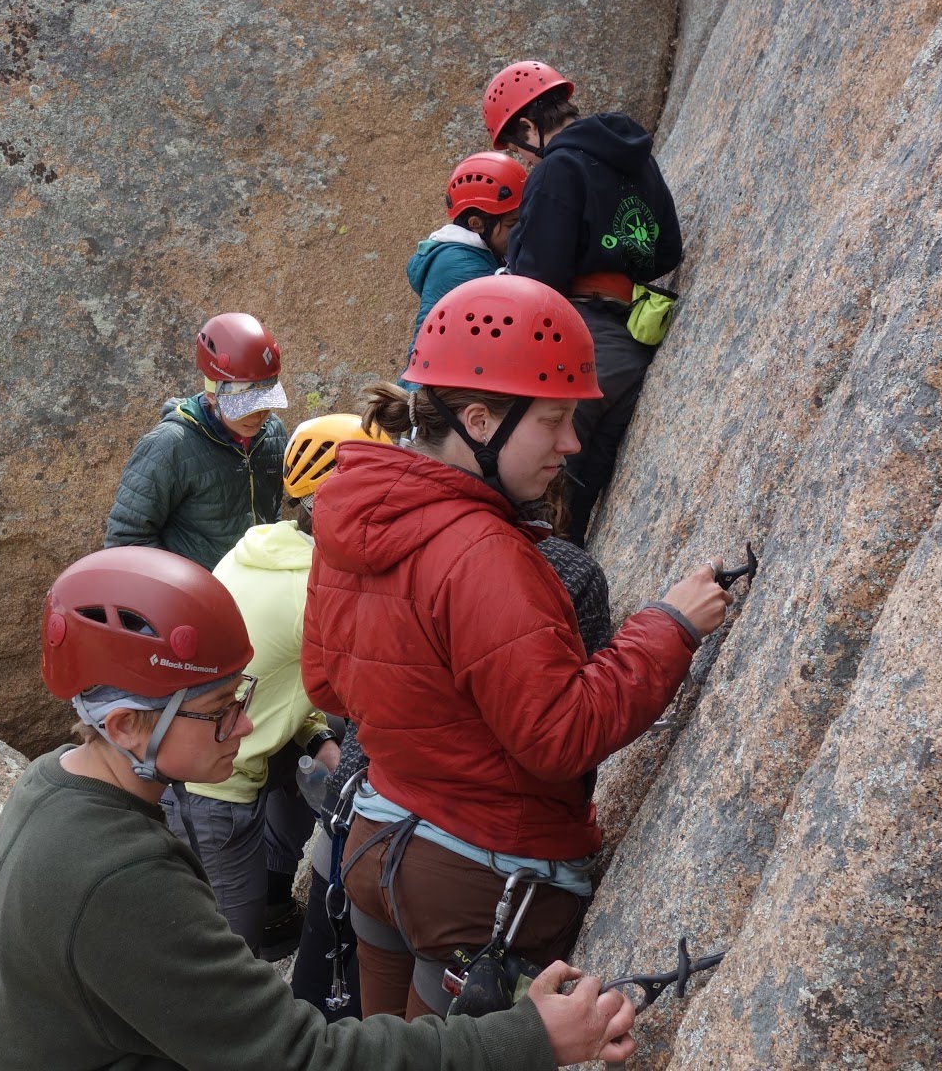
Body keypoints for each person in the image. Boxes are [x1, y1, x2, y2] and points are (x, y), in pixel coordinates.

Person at [0, 545, 640, 1070]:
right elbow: (297, 1058)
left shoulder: (52, 784)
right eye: (220, 712)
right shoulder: (116, 878)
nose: (245, 728)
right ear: (130, 725)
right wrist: (529, 1038)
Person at [303, 275, 732, 1021]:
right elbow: (558, 735)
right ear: (478, 420)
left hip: (377, 846)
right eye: (554, 422)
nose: (570, 446)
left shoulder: (353, 513)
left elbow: (328, 685)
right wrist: (671, 624)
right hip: (481, 884)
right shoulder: (484, 553)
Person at [163, 415, 384, 958]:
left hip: (186, 759)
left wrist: (315, 740)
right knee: (233, 952)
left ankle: (274, 886)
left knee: (313, 750)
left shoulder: (263, 546)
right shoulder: (316, 592)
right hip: (217, 791)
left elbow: (272, 677)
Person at [483, 60, 685, 542]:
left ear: (530, 126)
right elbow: (668, 248)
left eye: (517, 144)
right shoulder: (633, 156)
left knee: (547, 493)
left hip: (579, 339)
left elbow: (538, 277)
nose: (523, 158)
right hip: (632, 341)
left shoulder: (557, 169)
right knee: (589, 484)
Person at [105, 313, 292, 570]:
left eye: (265, 400)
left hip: (254, 593)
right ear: (212, 393)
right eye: (245, 404)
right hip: (195, 599)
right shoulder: (170, 446)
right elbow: (126, 540)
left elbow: (270, 515)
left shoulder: (273, 433)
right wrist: (185, 591)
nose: (258, 415)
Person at [404, 151, 527, 386]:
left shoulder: (481, 255)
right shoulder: (456, 264)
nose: (520, 232)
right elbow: (513, 306)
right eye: (513, 224)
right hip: (432, 392)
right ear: (476, 224)